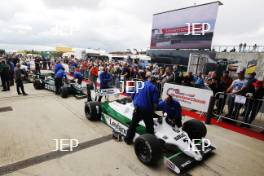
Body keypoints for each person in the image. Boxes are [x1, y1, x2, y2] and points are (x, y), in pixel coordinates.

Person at [124, 72, 159, 145]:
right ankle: (151, 143)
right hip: (146, 110)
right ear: (154, 81)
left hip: (137, 108)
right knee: (149, 127)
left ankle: (128, 139)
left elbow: (132, 96)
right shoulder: (154, 88)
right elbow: (155, 103)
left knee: (133, 125)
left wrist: (136, 104)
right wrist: (153, 111)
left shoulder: (139, 84)